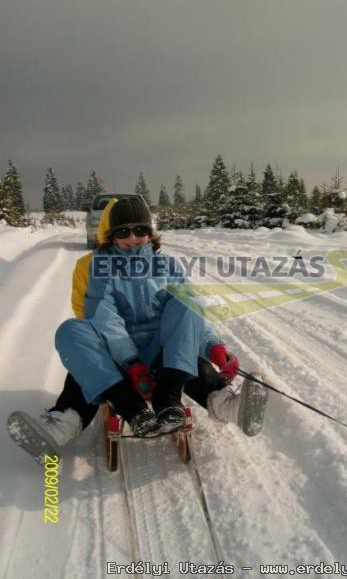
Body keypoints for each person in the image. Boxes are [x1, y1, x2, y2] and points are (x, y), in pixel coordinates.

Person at [8, 197, 268, 465]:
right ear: (112, 236)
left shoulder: (167, 266)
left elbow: (188, 318)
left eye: (140, 230)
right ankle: (65, 424)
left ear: (150, 233)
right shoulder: (100, 269)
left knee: (186, 314)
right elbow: (105, 321)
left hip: (161, 355)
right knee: (73, 335)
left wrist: (214, 346)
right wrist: (131, 364)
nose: (133, 238)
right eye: (123, 232)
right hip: (118, 359)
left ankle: (219, 403)